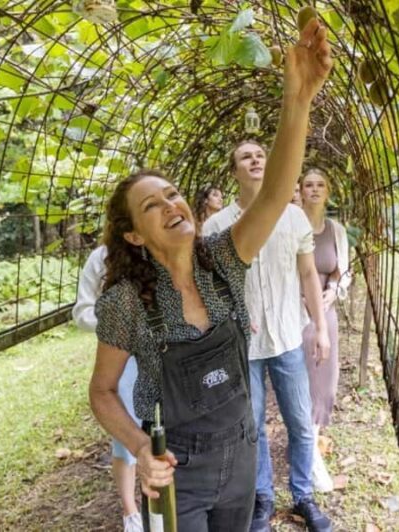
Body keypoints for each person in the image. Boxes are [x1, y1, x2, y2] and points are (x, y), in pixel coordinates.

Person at [88, 19, 332, 532]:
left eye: (172, 194)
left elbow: (274, 194)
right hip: (180, 471)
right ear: (134, 236)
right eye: (151, 206)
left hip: (242, 456)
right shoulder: (126, 301)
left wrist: (298, 99)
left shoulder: (223, 258)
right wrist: (140, 448)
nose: (170, 206)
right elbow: (103, 392)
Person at [203, 147, 333, 531]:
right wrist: (229, 315)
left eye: (261, 154)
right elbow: (209, 286)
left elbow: (308, 275)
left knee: (300, 422)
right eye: (246, 157)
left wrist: (321, 328)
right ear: (234, 171)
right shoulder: (216, 227)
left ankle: (303, 496)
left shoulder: (293, 217)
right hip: (242, 345)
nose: (256, 160)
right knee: (253, 425)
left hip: (288, 337)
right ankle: (262, 498)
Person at [73, 247, 143, 532]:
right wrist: (117, 321)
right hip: (121, 359)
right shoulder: (100, 258)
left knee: (167, 429)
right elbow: (82, 312)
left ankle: (165, 504)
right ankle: (131, 513)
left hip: (164, 352)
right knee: (125, 434)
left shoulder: (160, 245)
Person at [299, 168, 351, 493]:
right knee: (301, 383)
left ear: (328, 192)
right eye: (309, 185)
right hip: (296, 312)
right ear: (300, 190)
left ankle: (312, 447)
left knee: (324, 385)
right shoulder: (290, 224)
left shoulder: (336, 230)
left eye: (320, 185)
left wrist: (334, 288)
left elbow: (342, 270)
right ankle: (309, 455)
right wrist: (302, 298)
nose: (315, 190)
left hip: (325, 313)